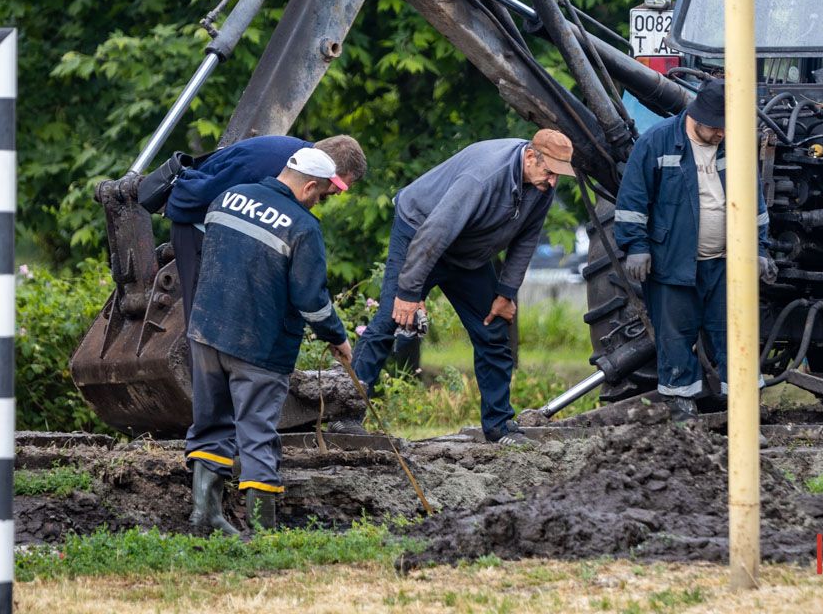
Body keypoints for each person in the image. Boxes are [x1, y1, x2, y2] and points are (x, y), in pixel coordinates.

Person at [350, 130, 575, 445]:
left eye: (559, 175)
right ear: (529, 157)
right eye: (549, 172)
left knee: (493, 328)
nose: (553, 182)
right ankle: (344, 416)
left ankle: (499, 427)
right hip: (420, 231)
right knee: (389, 317)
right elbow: (435, 232)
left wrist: (506, 293)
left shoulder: (541, 184)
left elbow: (527, 238)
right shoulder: (483, 177)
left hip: (468, 251)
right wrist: (409, 293)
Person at [184, 147, 357, 533]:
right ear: (309, 186)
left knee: (210, 424)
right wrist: (337, 337)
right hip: (259, 346)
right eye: (323, 195)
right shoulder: (302, 227)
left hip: (206, 331)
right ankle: (262, 533)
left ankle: (205, 517)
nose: (320, 203)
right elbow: (310, 300)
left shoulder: (227, 198)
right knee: (257, 433)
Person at [614, 83, 775, 422]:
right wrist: (636, 247)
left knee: (736, 336)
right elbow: (632, 201)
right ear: (695, 116)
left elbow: (754, 205)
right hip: (672, 266)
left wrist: (759, 248)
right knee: (675, 339)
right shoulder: (656, 143)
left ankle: (743, 418)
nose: (722, 133)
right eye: (716, 126)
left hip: (725, 265)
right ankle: (683, 415)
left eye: (727, 126)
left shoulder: (733, 145)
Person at [165, 134, 367, 332]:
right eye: (339, 184)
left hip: (217, 229)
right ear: (325, 164)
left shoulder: (293, 165)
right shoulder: (270, 165)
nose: (338, 192)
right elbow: (202, 195)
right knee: (205, 322)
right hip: (197, 225)